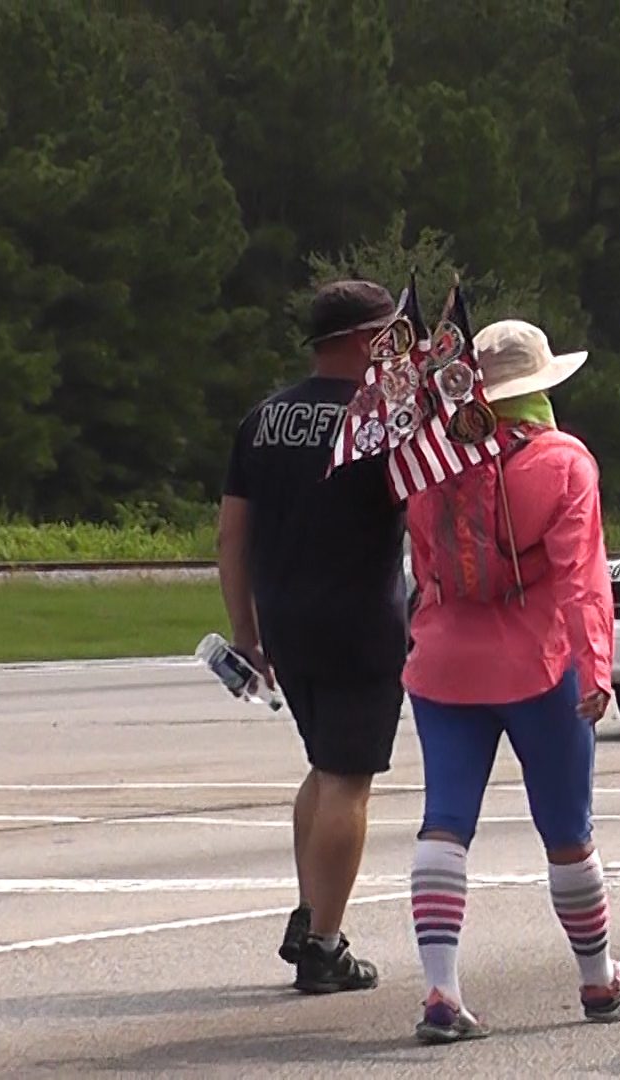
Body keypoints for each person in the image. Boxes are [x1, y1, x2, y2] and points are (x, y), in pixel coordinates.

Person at [399, 318, 620, 1044]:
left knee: (444, 822)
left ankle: (441, 991)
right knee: (567, 829)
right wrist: (596, 667)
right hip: (541, 664)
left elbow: (424, 563)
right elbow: (583, 578)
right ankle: (598, 976)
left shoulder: (432, 461)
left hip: (444, 662)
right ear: (540, 386)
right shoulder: (563, 462)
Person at [217, 279, 410, 994]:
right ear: (364, 340)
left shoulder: (263, 418)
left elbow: (232, 534)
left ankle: (309, 913)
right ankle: (325, 945)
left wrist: (246, 629)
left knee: (323, 767)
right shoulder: (382, 421)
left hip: (286, 618)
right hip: (361, 615)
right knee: (348, 778)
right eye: (389, 337)